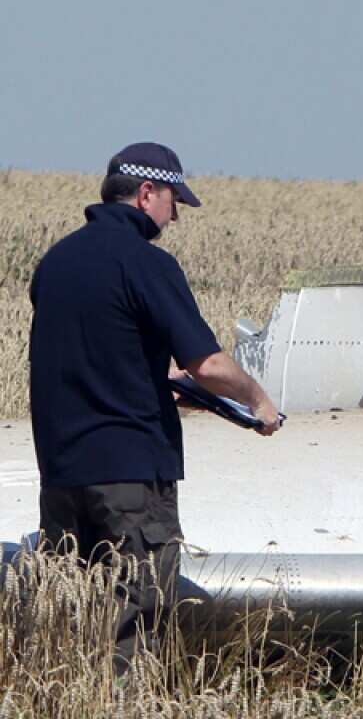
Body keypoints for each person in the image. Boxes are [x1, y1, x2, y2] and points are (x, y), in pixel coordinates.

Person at [28, 142, 282, 674]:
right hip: (130, 481)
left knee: (72, 631)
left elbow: (87, 357)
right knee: (132, 635)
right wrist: (259, 402)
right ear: (147, 193)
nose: (175, 217)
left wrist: (152, 381)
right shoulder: (147, 263)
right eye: (174, 202)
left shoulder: (55, 263)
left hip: (61, 476)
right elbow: (207, 364)